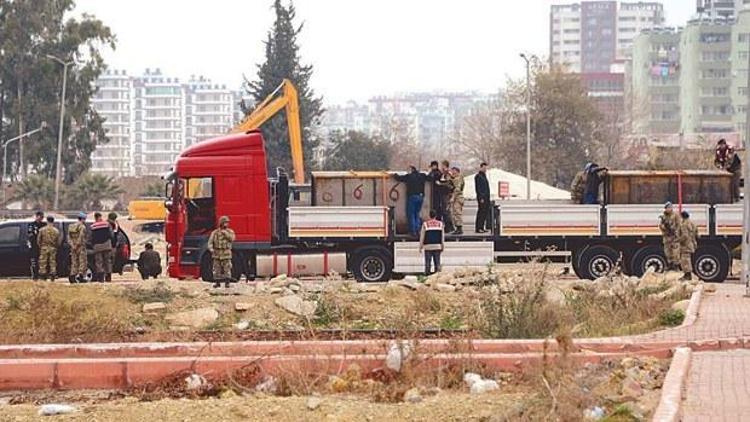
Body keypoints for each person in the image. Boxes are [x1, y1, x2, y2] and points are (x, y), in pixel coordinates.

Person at [394, 165, 429, 236]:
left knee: (411, 214)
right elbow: (429, 178)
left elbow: (398, 178)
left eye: (408, 170)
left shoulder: (409, 176)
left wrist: (394, 174)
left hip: (412, 197)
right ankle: (418, 230)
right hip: (420, 197)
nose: (407, 171)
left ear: (412, 170)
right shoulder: (422, 175)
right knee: (417, 213)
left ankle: (413, 231)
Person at [208, 215, 236, 288]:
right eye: (225, 223)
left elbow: (232, 239)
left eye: (227, 223)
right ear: (221, 223)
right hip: (217, 253)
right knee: (217, 269)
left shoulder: (230, 232)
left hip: (226, 253)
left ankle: (227, 283)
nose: (226, 224)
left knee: (227, 268)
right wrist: (211, 249)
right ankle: (217, 283)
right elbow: (210, 242)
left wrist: (225, 234)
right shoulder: (215, 233)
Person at [419, 210, 445, 275]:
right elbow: (442, 236)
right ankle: (437, 277)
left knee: (428, 263)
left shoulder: (425, 224)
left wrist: (420, 247)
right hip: (437, 246)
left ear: (429, 216)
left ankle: (427, 276)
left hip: (428, 247)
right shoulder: (440, 224)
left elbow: (422, 236)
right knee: (437, 263)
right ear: (435, 216)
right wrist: (442, 246)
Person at [90, 212, 113, 282]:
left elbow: (91, 237)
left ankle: (101, 278)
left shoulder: (93, 226)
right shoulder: (106, 224)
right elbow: (111, 234)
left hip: (97, 246)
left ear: (95, 217)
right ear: (100, 216)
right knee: (107, 261)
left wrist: (93, 244)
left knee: (99, 262)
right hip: (106, 245)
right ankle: (108, 277)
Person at [659, 202, 681, 272]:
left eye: (670, 207)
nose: (669, 209)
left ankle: (676, 265)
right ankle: (670, 264)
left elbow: (679, 225)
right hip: (667, 237)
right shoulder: (664, 216)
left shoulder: (675, 215)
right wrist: (664, 227)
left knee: (676, 252)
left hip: (674, 236)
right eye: (667, 208)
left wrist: (676, 232)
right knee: (667, 252)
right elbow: (661, 225)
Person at [37, 216, 61, 281]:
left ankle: (43, 275)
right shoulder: (56, 231)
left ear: (47, 221)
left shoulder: (42, 230)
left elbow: (38, 240)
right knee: (52, 262)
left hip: (44, 248)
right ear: (53, 221)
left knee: (43, 262)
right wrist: (55, 246)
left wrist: (41, 246)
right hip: (53, 248)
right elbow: (58, 242)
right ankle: (53, 275)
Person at [67, 212, 88, 283]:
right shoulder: (82, 227)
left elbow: (68, 237)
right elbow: (81, 237)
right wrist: (77, 245)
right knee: (82, 262)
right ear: (82, 219)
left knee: (74, 262)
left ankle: (72, 276)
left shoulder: (71, 226)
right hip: (80, 247)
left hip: (73, 247)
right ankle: (81, 276)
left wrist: (72, 245)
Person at [678, 210, 699, 281]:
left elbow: (685, 236)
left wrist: (678, 240)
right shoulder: (692, 223)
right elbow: (697, 234)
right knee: (688, 259)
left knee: (685, 260)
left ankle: (687, 275)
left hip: (685, 245)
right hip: (691, 243)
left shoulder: (684, 224)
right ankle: (688, 275)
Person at [27, 211, 45, 280]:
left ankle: (42, 276)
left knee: (42, 262)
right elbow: (30, 235)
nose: (41, 218)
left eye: (42, 217)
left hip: (42, 246)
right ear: (36, 216)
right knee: (34, 262)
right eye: (40, 216)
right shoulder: (31, 225)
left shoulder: (44, 225)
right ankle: (35, 276)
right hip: (34, 246)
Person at [474, 162, 491, 233]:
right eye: (484, 167)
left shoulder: (484, 176)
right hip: (482, 198)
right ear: (481, 167)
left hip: (486, 198)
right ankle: (478, 228)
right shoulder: (478, 176)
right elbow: (479, 188)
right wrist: (481, 198)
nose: (485, 169)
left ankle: (482, 227)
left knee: (484, 212)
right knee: (481, 212)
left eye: (486, 168)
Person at [438, 160, 454, 232]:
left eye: (442, 165)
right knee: (445, 210)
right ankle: (448, 226)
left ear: (445, 166)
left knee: (446, 211)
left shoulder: (447, 174)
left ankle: (449, 227)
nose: (441, 167)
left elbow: (448, 184)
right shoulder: (443, 174)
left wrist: (440, 184)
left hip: (446, 194)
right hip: (443, 194)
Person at [448, 167, 465, 235]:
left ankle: (459, 228)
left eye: (454, 172)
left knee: (457, 213)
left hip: (458, 198)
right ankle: (458, 227)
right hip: (457, 197)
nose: (453, 173)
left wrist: (453, 197)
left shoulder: (459, 179)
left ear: (457, 172)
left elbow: (457, 189)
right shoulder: (457, 178)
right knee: (455, 213)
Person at [106, 212, 120, 282]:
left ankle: (106, 276)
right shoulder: (115, 225)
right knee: (110, 261)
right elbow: (116, 235)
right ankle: (108, 276)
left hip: (107, 244)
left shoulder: (106, 224)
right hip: (112, 246)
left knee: (105, 261)